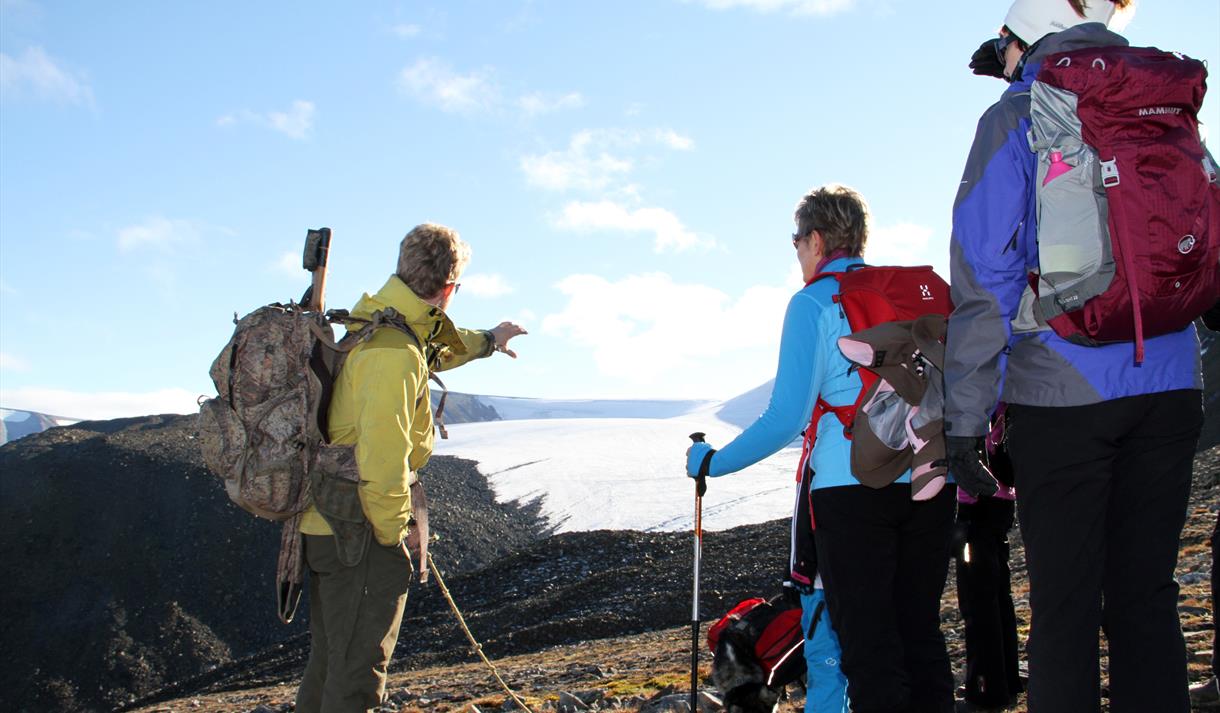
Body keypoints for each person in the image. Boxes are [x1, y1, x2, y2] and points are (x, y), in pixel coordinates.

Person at [943, 2, 1205, 711]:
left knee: (1064, 609)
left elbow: (984, 276)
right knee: (1146, 596)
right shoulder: (1154, 90)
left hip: (1064, 394)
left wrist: (964, 416)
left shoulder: (1016, 114)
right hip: (1172, 383)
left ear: (1019, 38)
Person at [686, 184, 956, 713]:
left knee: (868, 644)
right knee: (919, 633)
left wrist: (715, 463)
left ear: (815, 239)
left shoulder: (814, 302)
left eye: (797, 244)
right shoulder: (911, 295)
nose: (798, 256)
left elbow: (785, 417)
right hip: (930, 476)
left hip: (851, 490)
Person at [294, 223, 526, 713]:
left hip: (327, 524)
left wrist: (489, 340)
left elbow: (439, 342)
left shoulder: (379, 323)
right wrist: (397, 534)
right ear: (448, 287)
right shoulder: (393, 353)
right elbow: (381, 465)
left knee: (331, 663)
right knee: (356, 676)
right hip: (357, 534)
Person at [952, 408, 1021, 710]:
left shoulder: (972, 371)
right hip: (1001, 495)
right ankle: (1006, 682)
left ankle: (986, 691)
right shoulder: (1002, 365)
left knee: (978, 600)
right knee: (997, 593)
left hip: (974, 497)